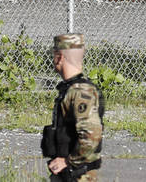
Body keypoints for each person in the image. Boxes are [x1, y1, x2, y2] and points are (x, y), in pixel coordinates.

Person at [42, 34, 104, 181]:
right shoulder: (72, 90)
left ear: (59, 58)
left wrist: (68, 161)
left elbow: (91, 135)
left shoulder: (81, 92)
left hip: (77, 174)